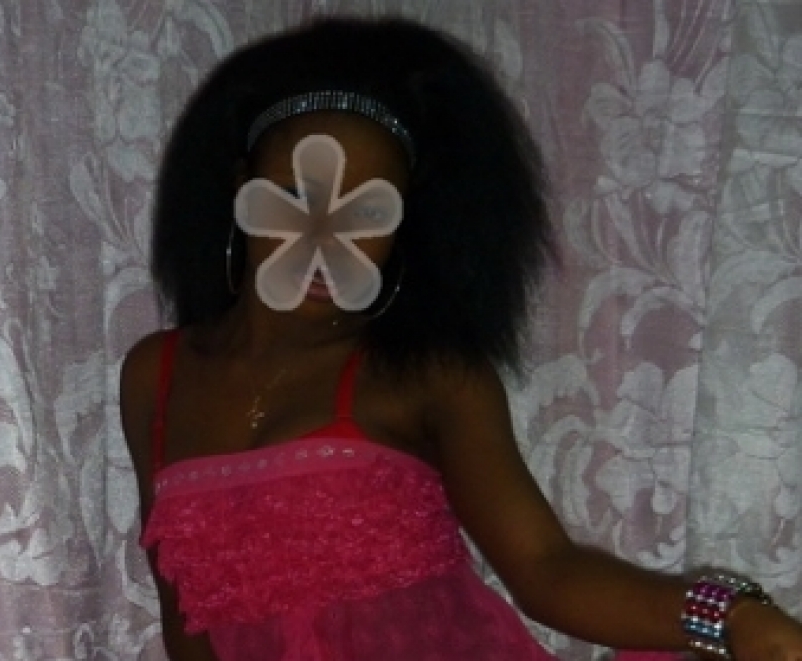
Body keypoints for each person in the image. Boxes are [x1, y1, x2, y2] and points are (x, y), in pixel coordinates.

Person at [119, 16, 802, 661]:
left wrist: (732, 615)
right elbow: (187, 621)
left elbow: (547, 569)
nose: (327, 232)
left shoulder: (425, 372)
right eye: (298, 194)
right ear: (241, 187)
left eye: (368, 209)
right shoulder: (157, 374)